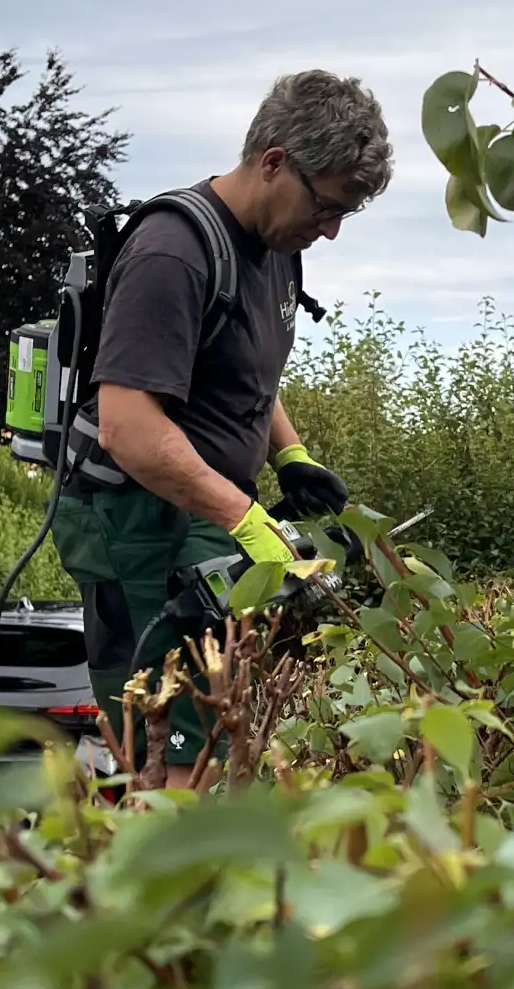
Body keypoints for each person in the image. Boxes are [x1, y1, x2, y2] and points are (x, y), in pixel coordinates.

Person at [49, 69, 393, 791]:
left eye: (345, 215)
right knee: (175, 761)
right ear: (273, 161)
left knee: (227, 727)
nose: (329, 229)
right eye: (327, 204)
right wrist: (245, 516)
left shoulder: (274, 245)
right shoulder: (173, 254)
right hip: (138, 526)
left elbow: (244, 371)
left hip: (201, 518)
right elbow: (129, 427)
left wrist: (291, 455)